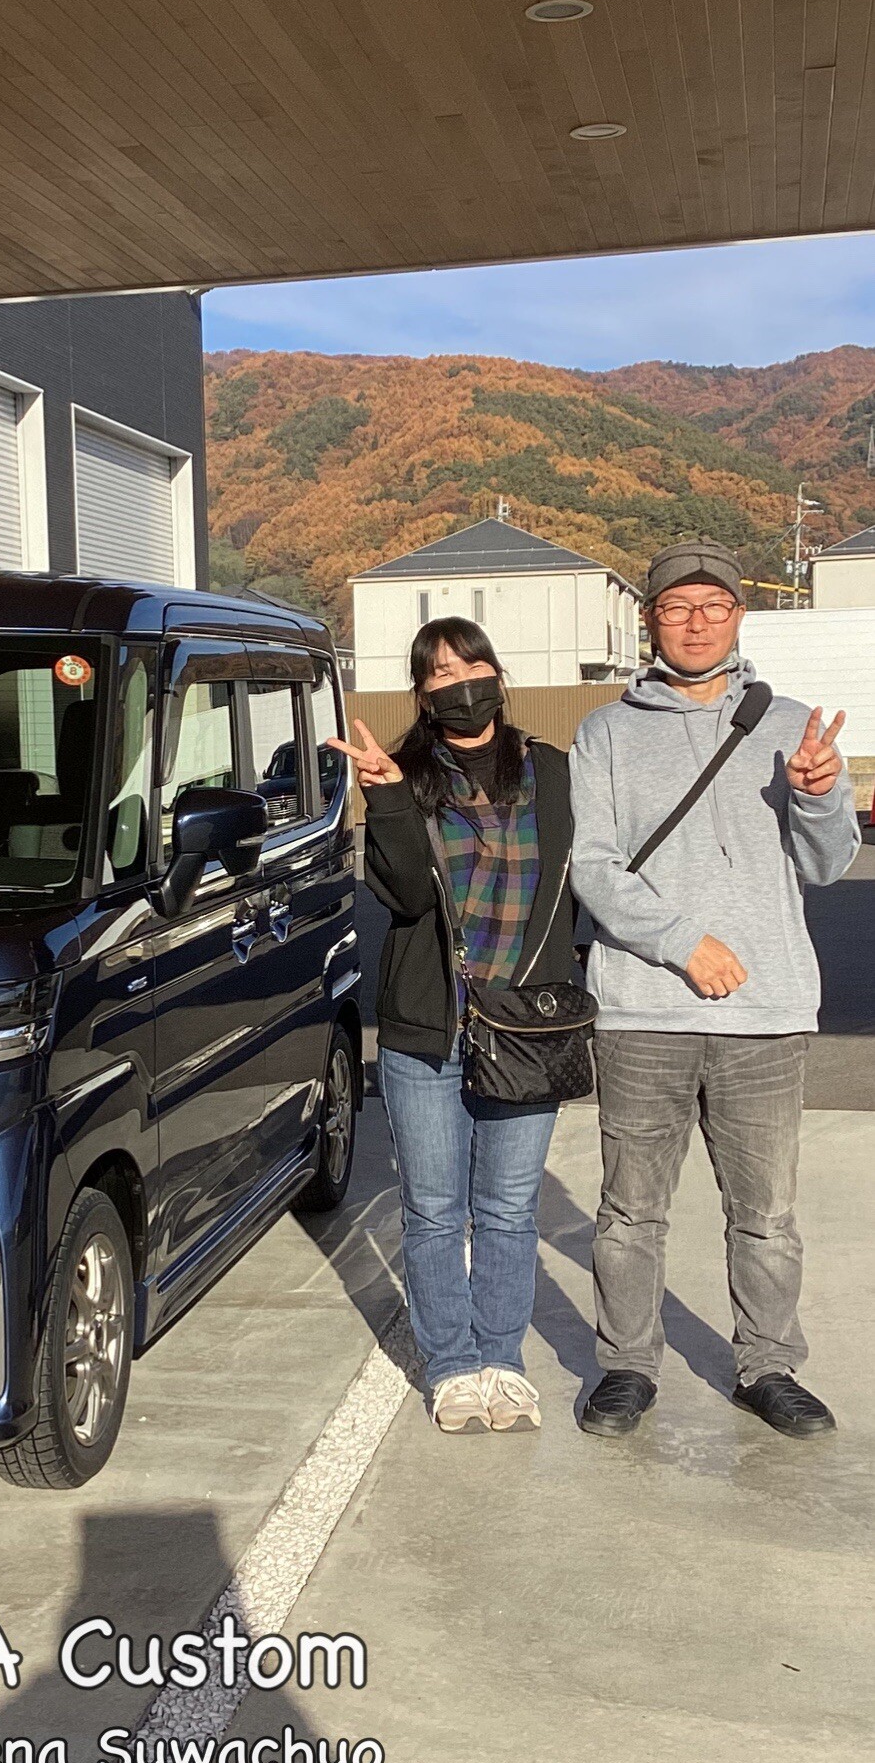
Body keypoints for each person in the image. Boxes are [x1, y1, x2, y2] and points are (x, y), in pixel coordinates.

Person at [569, 539, 860, 1439]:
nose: (694, 623)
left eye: (713, 606)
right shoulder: (605, 732)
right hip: (640, 1009)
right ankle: (626, 1366)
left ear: (737, 617)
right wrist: (683, 944)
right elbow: (592, 865)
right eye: (675, 607)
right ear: (648, 621)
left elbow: (827, 863)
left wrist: (819, 795)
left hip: (766, 1011)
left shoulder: (791, 724)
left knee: (765, 1215)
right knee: (629, 1211)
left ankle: (767, 1367)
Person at [331, 619, 578, 1435]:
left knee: (507, 1210)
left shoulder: (552, 771)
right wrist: (384, 794)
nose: (459, 681)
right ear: (421, 693)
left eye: (471, 664)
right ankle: (449, 1366)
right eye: (439, 673)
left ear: (497, 676)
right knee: (434, 1211)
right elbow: (404, 894)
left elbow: (589, 882)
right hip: (426, 1027)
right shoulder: (402, 776)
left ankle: (501, 1361)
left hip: (525, 1026)